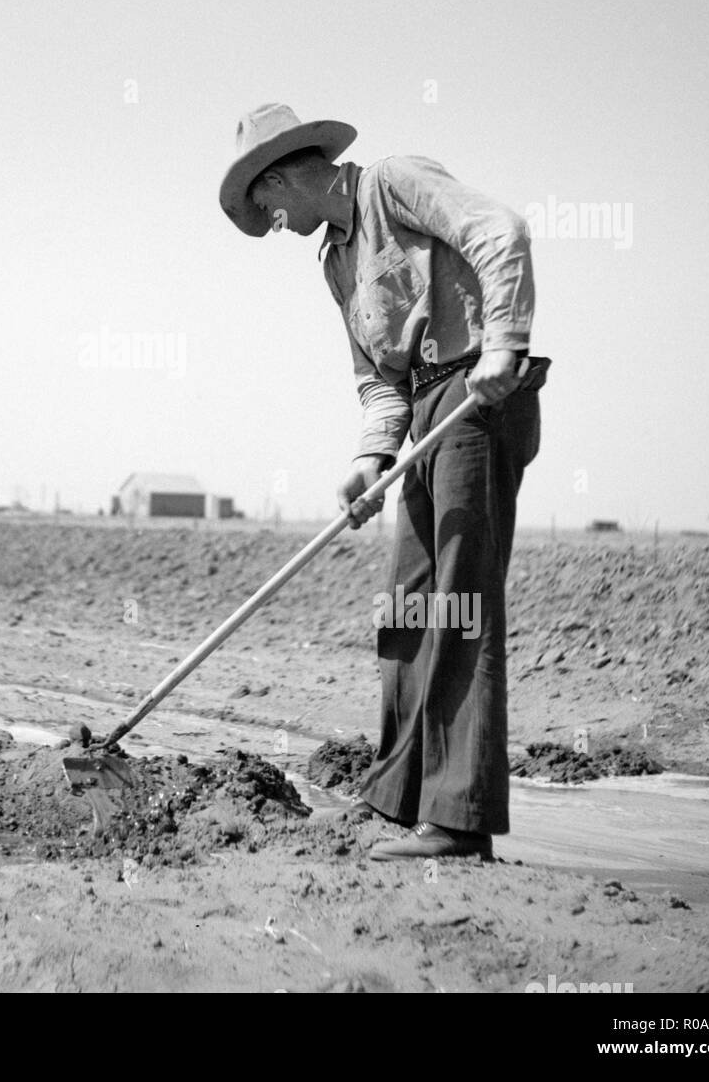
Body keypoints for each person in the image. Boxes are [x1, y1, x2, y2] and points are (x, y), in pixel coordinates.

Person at [219, 103, 548, 860]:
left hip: (479, 396)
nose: (269, 221)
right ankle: (399, 800)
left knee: (460, 602)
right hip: (427, 410)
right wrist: (370, 459)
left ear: (280, 177)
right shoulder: (336, 261)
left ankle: (459, 821)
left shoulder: (395, 183)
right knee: (406, 601)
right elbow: (377, 380)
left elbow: (502, 232)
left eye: (265, 205)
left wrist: (505, 340)